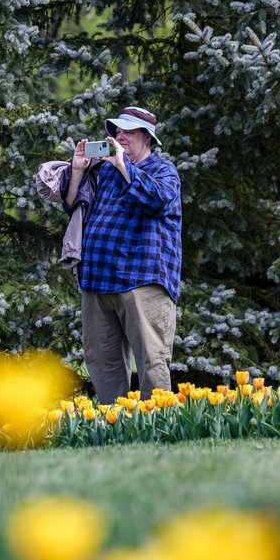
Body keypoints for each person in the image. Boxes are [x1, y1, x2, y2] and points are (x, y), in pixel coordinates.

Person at [60, 106, 181, 404]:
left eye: (127, 131)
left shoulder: (163, 170)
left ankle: (157, 425)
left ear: (147, 138)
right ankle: (115, 426)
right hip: (98, 280)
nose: (119, 136)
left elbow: (157, 199)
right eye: (117, 131)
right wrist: (77, 169)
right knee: (103, 363)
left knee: (152, 361)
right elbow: (74, 204)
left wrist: (124, 165)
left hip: (141, 281)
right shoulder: (105, 172)